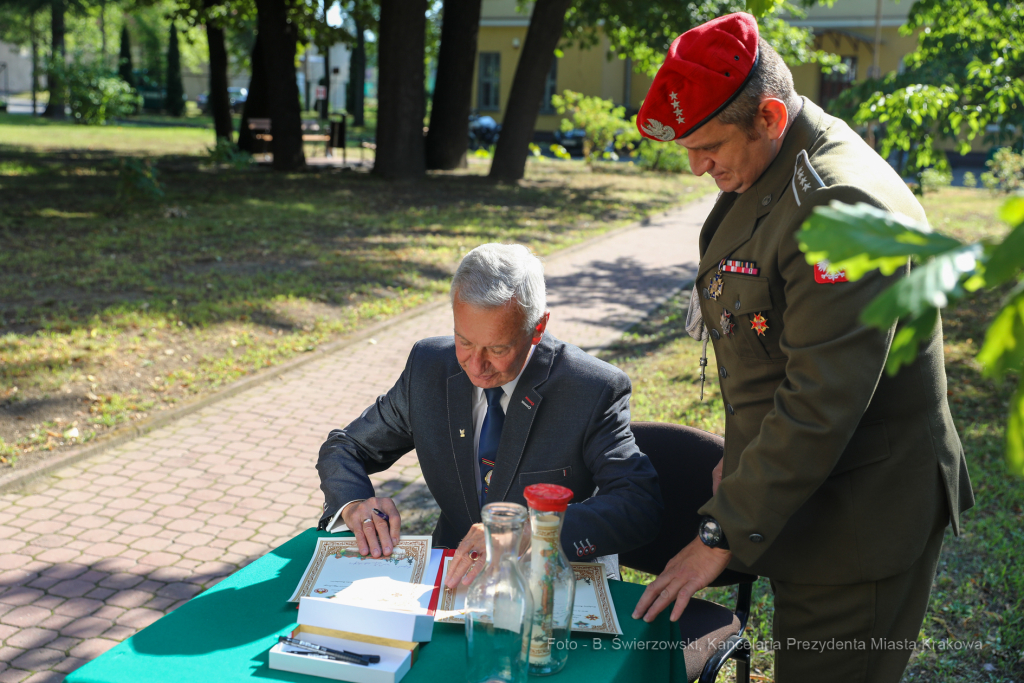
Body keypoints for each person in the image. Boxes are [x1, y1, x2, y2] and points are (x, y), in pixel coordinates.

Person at [630, 13, 974, 683]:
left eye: (707, 145)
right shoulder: (777, 163)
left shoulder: (837, 206)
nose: (697, 165)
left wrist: (716, 535)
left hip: (859, 519)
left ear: (768, 115)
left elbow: (821, 401)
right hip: (809, 498)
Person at [316, 243, 662, 588]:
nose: (476, 366)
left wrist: (529, 531)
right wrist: (355, 504)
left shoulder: (591, 388)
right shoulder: (429, 367)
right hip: (454, 578)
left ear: (537, 328)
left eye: (497, 349)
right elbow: (345, 447)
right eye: (464, 341)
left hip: (552, 583)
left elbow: (639, 504)